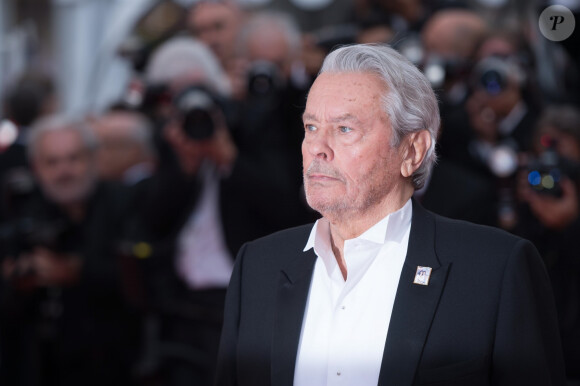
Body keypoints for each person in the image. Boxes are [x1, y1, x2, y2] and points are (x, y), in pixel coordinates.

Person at [215, 44, 566, 385]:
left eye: (344, 129)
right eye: (311, 127)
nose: (317, 148)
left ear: (412, 151)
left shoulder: (494, 269)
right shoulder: (257, 267)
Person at [0, 115, 138, 386]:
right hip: (38, 365)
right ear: (36, 167)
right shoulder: (20, 210)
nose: (64, 171)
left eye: (74, 159)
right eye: (52, 162)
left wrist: (76, 271)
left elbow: (141, 282)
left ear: (93, 159)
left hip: (114, 363)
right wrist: (16, 283)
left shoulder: (124, 203)